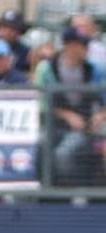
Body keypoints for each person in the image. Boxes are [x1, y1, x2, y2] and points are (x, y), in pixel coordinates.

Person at [33, 26, 106, 185]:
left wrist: (101, 115)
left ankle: (70, 198)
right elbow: (40, 103)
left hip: (84, 128)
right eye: (82, 44)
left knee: (64, 154)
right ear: (69, 45)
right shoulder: (46, 69)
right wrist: (67, 115)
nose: (87, 49)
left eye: (87, 44)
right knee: (39, 145)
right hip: (53, 125)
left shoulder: (94, 69)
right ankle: (42, 195)